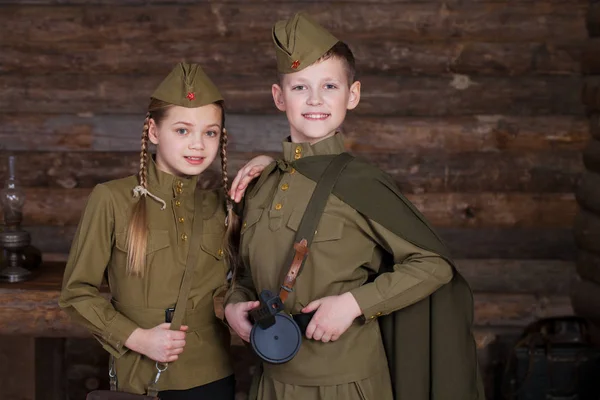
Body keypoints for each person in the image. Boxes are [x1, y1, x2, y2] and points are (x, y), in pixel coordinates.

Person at [224, 12, 485, 400]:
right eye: (299, 87)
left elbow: (433, 265)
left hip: (346, 385)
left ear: (353, 94)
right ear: (279, 97)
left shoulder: (363, 183)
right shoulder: (261, 185)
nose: (315, 100)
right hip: (270, 384)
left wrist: (353, 304)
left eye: (329, 85)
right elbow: (246, 273)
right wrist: (233, 305)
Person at [59, 62, 270, 399]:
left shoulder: (224, 205)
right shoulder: (111, 199)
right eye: (182, 130)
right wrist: (136, 338)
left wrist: (267, 163)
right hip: (140, 379)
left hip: (212, 376)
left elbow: (282, 195)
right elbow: (76, 293)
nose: (198, 144)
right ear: (154, 132)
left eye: (210, 132)